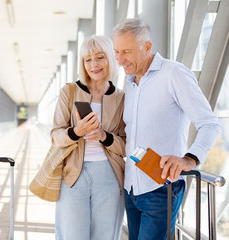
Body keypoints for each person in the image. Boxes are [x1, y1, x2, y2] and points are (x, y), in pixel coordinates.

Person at [112, 18, 221, 240]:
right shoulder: (130, 83)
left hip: (161, 188)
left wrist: (189, 159)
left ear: (147, 47)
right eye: (116, 52)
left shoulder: (174, 74)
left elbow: (210, 123)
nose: (120, 60)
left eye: (127, 52)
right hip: (132, 188)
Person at [51, 35, 126, 240]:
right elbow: (55, 135)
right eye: (87, 59)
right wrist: (77, 132)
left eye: (99, 57)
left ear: (110, 58)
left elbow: (127, 144)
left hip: (109, 176)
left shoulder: (121, 97)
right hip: (74, 174)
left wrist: (104, 136)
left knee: (106, 236)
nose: (93, 64)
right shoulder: (69, 91)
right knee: (72, 235)